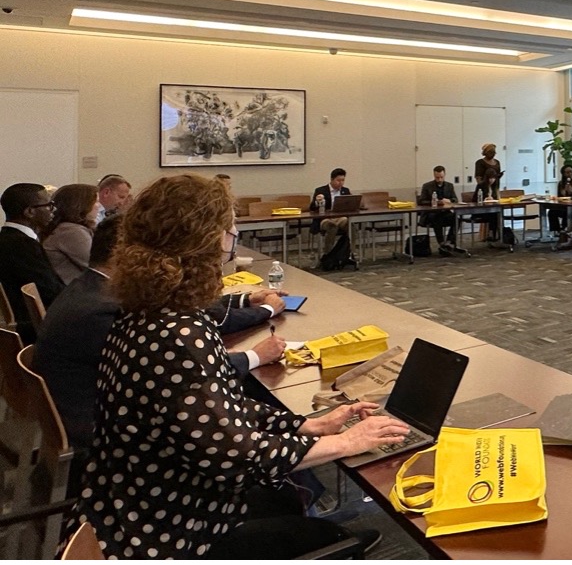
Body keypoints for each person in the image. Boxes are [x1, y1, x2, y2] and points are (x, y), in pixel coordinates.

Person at [68, 174, 407, 559]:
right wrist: (347, 441)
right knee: (325, 532)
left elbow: (217, 406)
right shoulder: (180, 334)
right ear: (206, 243)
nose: (233, 241)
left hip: (137, 504)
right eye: (230, 232)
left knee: (287, 500)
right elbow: (236, 455)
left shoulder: (149, 312)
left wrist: (306, 424)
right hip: (170, 534)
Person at [35, 215, 288, 451]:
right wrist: (253, 356)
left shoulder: (92, 289)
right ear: (123, 255)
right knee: (244, 413)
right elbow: (179, 375)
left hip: (105, 403)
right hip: (108, 427)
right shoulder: (105, 309)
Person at [0, 183, 65, 343]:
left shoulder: (9, 239)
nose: (53, 210)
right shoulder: (21, 245)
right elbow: (49, 290)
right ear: (30, 212)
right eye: (49, 205)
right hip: (32, 326)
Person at [42, 183, 100, 284]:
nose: (99, 206)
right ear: (81, 205)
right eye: (96, 202)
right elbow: (98, 266)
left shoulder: (68, 228)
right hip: (75, 294)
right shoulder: (70, 231)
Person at [417, 165, 459, 254]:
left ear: (445, 175)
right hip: (431, 213)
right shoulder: (427, 186)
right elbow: (421, 201)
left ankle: (449, 241)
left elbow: (455, 200)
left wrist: (449, 200)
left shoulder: (449, 186)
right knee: (437, 218)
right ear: (434, 175)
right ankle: (441, 243)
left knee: (456, 218)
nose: (439, 180)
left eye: (441, 177)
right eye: (437, 177)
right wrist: (432, 202)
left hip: (445, 212)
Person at [310, 167, 351, 253]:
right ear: (332, 179)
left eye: (343, 180)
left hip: (340, 218)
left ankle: (350, 252)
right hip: (325, 219)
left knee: (350, 225)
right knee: (332, 227)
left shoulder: (345, 191)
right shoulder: (320, 190)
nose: (341, 183)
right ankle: (328, 253)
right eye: (338, 180)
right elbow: (312, 208)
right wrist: (318, 201)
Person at [548, 164, 572, 246]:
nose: (570, 174)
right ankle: (558, 231)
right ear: (564, 174)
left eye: (571, 172)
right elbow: (559, 196)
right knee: (552, 212)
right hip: (564, 205)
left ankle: (564, 229)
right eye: (567, 172)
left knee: (566, 211)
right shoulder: (561, 183)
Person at [472, 168, 502, 241]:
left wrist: (495, 199)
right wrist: (485, 199)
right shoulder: (481, 185)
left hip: (491, 209)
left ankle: (496, 235)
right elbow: (474, 199)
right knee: (494, 215)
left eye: (493, 178)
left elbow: (497, 198)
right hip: (481, 211)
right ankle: (492, 234)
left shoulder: (495, 186)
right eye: (490, 178)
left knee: (497, 214)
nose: (491, 180)